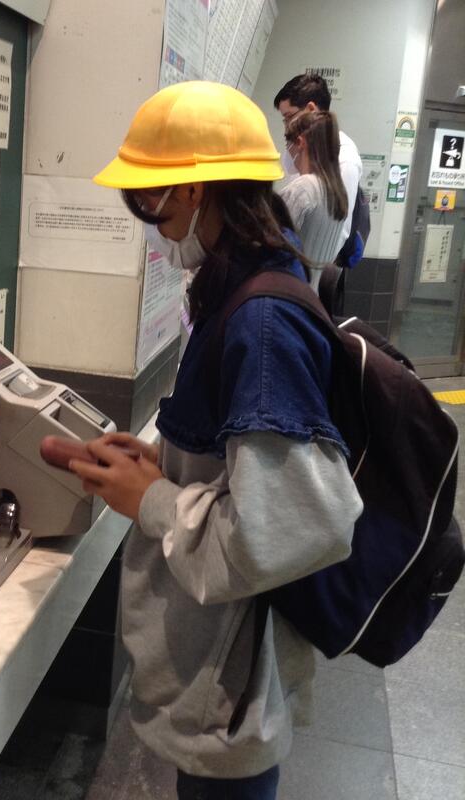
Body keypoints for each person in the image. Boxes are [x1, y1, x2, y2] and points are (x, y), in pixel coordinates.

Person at [72, 81, 362, 800]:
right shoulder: (243, 283)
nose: (151, 220)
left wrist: (153, 499)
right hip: (220, 672)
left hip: (231, 684)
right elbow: (242, 465)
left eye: (150, 199)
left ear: (195, 189)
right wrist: (162, 466)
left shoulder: (261, 323)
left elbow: (278, 531)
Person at [273, 74, 362, 251]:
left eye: (288, 117)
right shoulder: (309, 148)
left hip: (309, 261)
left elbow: (338, 234)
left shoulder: (345, 159)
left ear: (311, 109)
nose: (286, 126)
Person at [279, 110, 348, 290]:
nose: (288, 150)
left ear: (300, 142)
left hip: (288, 292)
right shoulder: (337, 192)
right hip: (311, 296)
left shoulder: (303, 188)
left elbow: (273, 247)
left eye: (288, 143)